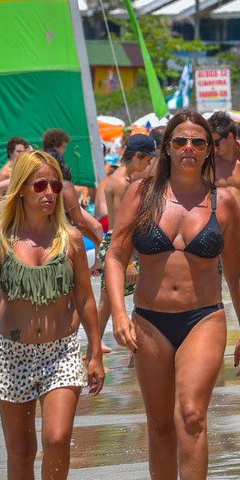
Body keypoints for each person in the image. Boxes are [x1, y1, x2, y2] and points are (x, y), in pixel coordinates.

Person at [104, 111, 240, 480]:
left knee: (191, 415)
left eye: (198, 142)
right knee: (159, 426)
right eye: (180, 141)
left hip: (202, 318)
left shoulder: (224, 201)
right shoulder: (142, 193)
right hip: (150, 320)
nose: (189, 149)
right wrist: (119, 314)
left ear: (209, 149)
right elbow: (116, 258)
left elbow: (239, 272)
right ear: (167, 147)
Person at [0, 151, 105, 480]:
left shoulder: (71, 240)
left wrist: (95, 352)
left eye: (55, 185)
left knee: (57, 438)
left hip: (60, 352)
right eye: (40, 184)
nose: (49, 192)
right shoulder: (0, 241)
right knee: (20, 451)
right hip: (12, 354)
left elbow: (85, 299)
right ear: (21, 190)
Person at [97, 134, 156, 333]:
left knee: (107, 302)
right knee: (146, 296)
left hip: (115, 244)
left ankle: (95, 349)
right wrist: (129, 262)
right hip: (121, 247)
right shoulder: (121, 184)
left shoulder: (120, 178)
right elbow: (122, 227)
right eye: (148, 160)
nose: (149, 164)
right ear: (138, 156)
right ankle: (97, 350)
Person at [209, 112, 240, 259]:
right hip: (212, 228)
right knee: (211, 278)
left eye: (216, 142)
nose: (213, 147)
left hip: (238, 229)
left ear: (230, 137)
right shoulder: (210, 164)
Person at [0, 136, 32, 205]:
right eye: (18, 152)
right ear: (11, 153)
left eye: (23, 152)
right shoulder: (5, 173)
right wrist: (10, 213)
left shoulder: (21, 169)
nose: (22, 154)